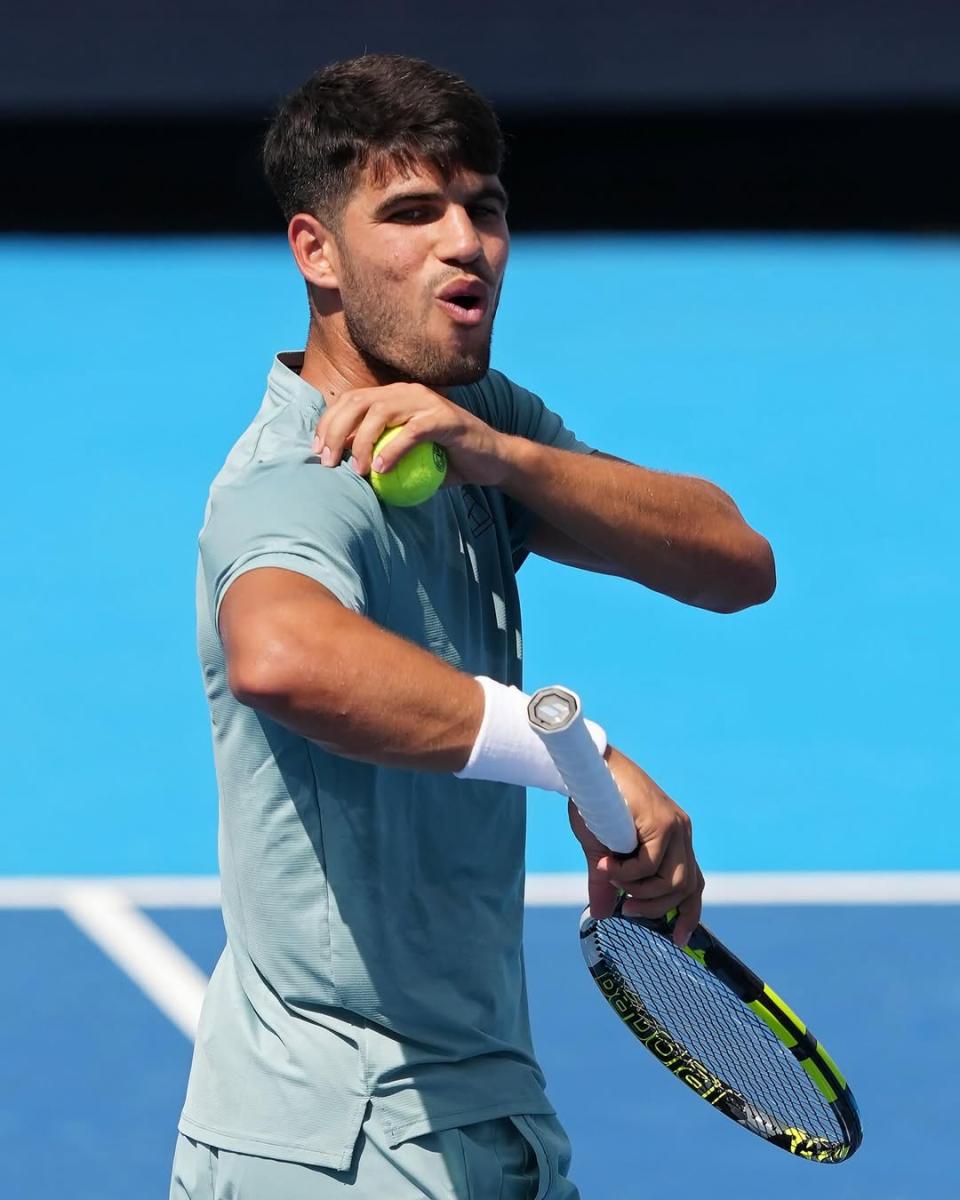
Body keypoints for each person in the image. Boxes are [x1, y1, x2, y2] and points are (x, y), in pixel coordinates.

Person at [170, 53, 776, 1200]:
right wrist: (579, 756)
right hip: (345, 1148)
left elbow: (733, 562)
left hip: (479, 1115)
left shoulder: (473, 422)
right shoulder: (293, 478)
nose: (466, 243)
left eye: (483, 208)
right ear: (316, 252)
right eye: (412, 213)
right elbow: (281, 657)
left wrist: (504, 457)